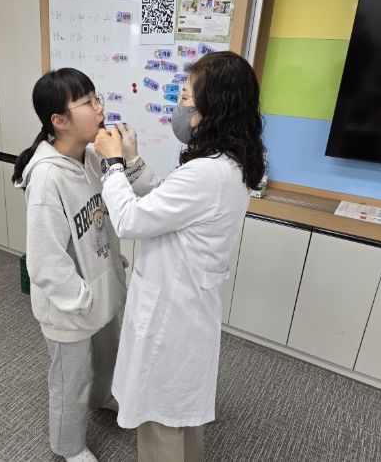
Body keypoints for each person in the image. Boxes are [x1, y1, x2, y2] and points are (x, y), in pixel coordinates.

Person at [93, 51, 266, 462]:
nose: (180, 106)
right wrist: (133, 162)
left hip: (171, 312)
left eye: (186, 97)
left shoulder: (206, 172)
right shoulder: (229, 162)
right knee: (181, 413)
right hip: (188, 303)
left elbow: (131, 220)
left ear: (212, 109)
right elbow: (169, 203)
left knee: (160, 418)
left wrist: (112, 165)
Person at [11, 68, 127, 462]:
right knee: (70, 380)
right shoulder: (47, 179)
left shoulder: (91, 158)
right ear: (59, 121)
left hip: (100, 289)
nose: (100, 109)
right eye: (88, 103)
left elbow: (102, 222)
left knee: (108, 355)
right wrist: (81, 299)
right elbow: (45, 261)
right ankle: (68, 445)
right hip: (70, 306)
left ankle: (103, 397)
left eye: (97, 98)